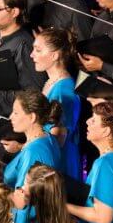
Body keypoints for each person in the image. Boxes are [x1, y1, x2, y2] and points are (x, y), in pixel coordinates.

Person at [31, 29, 81, 178]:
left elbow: (58, 138)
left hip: (56, 165)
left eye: (38, 50)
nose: (32, 55)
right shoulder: (51, 83)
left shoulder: (63, 89)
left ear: (55, 55)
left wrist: (24, 147)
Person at [2, 91, 63, 190]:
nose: (10, 117)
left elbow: (22, 198)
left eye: (16, 113)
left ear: (32, 117)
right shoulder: (48, 137)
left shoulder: (33, 151)